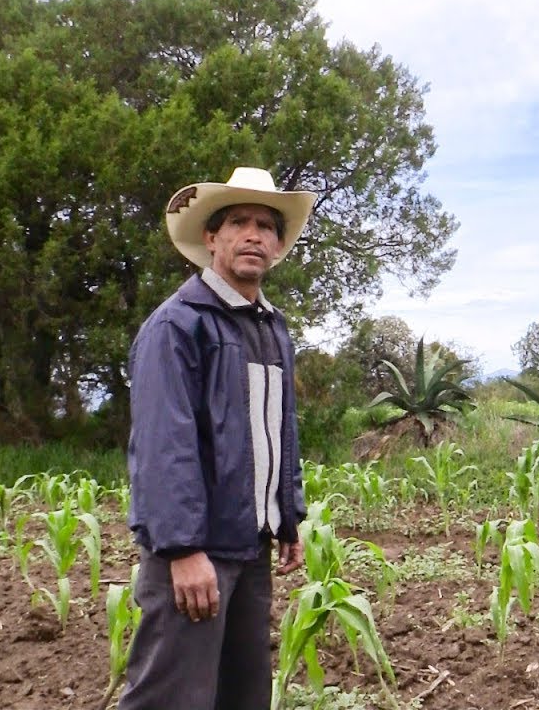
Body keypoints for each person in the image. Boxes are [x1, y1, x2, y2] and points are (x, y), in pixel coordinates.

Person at [119, 167, 317, 710]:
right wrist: (183, 550)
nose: (253, 234)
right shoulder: (178, 326)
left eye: (265, 226)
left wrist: (287, 516)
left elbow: (279, 428)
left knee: (243, 693)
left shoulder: (272, 327)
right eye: (237, 223)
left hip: (250, 548)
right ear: (211, 238)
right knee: (172, 697)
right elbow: (164, 445)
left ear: (278, 245)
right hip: (195, 554)